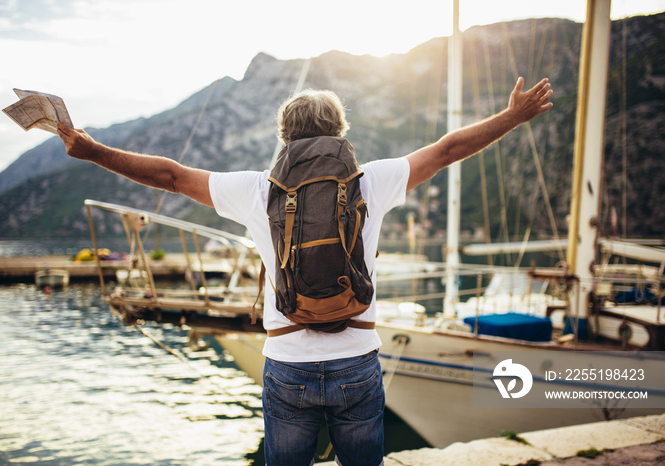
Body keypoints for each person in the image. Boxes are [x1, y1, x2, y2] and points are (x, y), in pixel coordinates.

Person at [57, 76, 553, 465]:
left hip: (287, 360)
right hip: (358, 356)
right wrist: (512, 116)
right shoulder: (370, 181)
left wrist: (92, 150)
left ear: (283, 137)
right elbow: (446, 151)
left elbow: (169, 175)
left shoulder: (257, 190)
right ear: (340, 131)